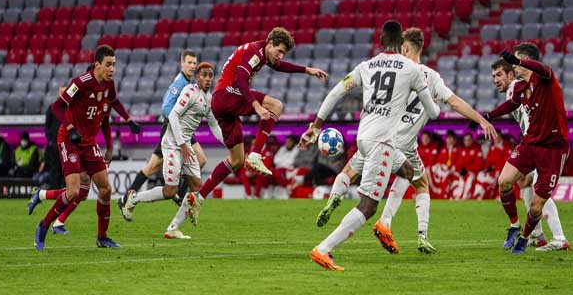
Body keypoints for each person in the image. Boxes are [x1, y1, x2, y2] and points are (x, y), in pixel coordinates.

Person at [316, 27, 496, 255]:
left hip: (374, 135)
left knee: (350, 170)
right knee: (416, 183)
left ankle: (335, 197)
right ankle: (396, 226)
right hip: (400, 142)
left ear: (406, 47)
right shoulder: (428, 76)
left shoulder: (385, 67)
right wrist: (480, 119)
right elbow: (454, 103)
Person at [301, 20, 441, 271]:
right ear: (401, 43)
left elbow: (335, 92)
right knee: (368, 206)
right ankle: (323, 249)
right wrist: (436, 106)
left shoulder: (366, 66)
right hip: (383, 143)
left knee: (409, 171)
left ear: (380, 40)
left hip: (363, 138)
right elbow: (432, 112)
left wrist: (316, 126)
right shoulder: (412, 69)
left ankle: (385, 221)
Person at [183, 27, 328, 223]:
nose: (280, 56)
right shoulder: (255, 52)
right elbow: (241, 80)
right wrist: (257, 106)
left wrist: (307, 70)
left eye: (283, 53)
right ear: (270, 44)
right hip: (227, 94)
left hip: (222, 103)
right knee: (276, 105)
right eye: (279, 51)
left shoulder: (265, 54)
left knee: (236, 160)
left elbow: (279, 66)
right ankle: (257, 153)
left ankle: (198, 198)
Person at [32, 45, 136, 250]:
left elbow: (114, 103)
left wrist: (129, 119)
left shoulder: (109, 85)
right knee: (72, 192)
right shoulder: (80, 82)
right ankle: (44, 225)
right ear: (97, 65)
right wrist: (70, 127)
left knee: (106, 189)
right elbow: (57, 107)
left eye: (114, 65)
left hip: (89, 142)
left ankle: (102, 237)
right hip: (69, 140)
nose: (112, 69)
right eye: (108, 65)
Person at [480, 44, 570, 254]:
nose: (496, 80)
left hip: (551, 146)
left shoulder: (544, 79)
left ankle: (557, 237)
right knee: (519, 182)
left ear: (527, 62)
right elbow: (511, 105)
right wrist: (486, 117)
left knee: (537, 191)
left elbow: (543, 70)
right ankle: (535, 234)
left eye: (500, 74)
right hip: (531, 142)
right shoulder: (519, 88)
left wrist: (519, 61)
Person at [123, 63, 222, 238]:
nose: (207, 79)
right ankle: (133, 199)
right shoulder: (189, 92)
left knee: (196, 187)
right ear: (197, 77)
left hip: (185, 145)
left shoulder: (208, 99)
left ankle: (172, 228)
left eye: (210, 75)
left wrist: (230, 144)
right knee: (170, 191)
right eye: (204, 75)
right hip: (172, 144)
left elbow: (214, 125)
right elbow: (174, 115)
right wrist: (183, 144)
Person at [118, 50, 206, 220]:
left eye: (194, 63)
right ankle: (126, 198)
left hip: (182, 130)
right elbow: (166, 107)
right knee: (153, 166)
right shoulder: (179, 82)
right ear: (182, 63)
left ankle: (178, 194)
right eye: (189, 62)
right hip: (173, 130)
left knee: (199, 159)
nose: (192, 66)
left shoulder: (187, 83)